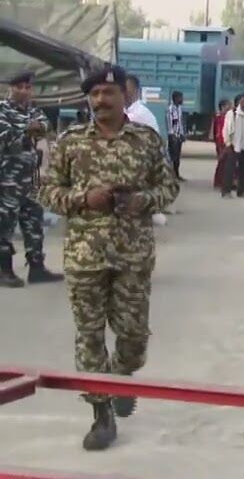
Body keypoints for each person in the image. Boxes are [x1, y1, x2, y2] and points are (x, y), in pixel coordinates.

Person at [39, 64, 179, 451]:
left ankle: (119, 379)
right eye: (95, 94)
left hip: (132, 255)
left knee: (133, 338)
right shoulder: (70, 142)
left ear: (125, 97)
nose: (100, 100)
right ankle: (101, 412)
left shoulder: (146, 141)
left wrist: (142, 201)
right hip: (85, 256)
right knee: (89, 335)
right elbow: (48, 192)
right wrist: (84, 199)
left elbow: (168, 187)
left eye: (108, 93)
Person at [0, 70, 62, 286]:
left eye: (28, 87)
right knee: (5, 224)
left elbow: (46, 127)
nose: (24, 91)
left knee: (33, 221)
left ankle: (37, 268)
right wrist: (28, 130)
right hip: (6, 179)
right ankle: (4, 270)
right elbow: (7, 138)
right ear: (11, 88)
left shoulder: (33, 110)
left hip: (29, 178)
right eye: (20, 87)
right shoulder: (2, 110)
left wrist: (33, 129)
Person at [221, 94, 244, 198]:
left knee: (243, 169)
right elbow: (226, 129)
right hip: (233, 145)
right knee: (230, 169)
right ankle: (226, 191)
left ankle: (241, 191)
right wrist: (227, 143)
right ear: (239, 102)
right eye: (243, 101)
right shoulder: (232, 114)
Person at [165, 91, 186, 181]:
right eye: (180, 98)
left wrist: (182, 134)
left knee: (177, 157)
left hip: (178, 136)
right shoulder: (171, 109)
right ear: (175, 99)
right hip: (173, 136)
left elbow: (180, 123)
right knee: (173, 157)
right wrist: (173, 135)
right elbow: (170, 123)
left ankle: (176, 174)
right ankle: (171, 175)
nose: (182, 99)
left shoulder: (179, 108)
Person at [211, 99, 231, 192]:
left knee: (225, 163)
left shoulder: (226, 116)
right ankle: (219, 182)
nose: (230, 106)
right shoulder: (220, 117)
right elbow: (218, 131)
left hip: (225, 141)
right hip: (221, 142)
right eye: (228, 105)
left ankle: (222, 181)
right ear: (223, 106)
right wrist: (220, 143)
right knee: (222, 162)